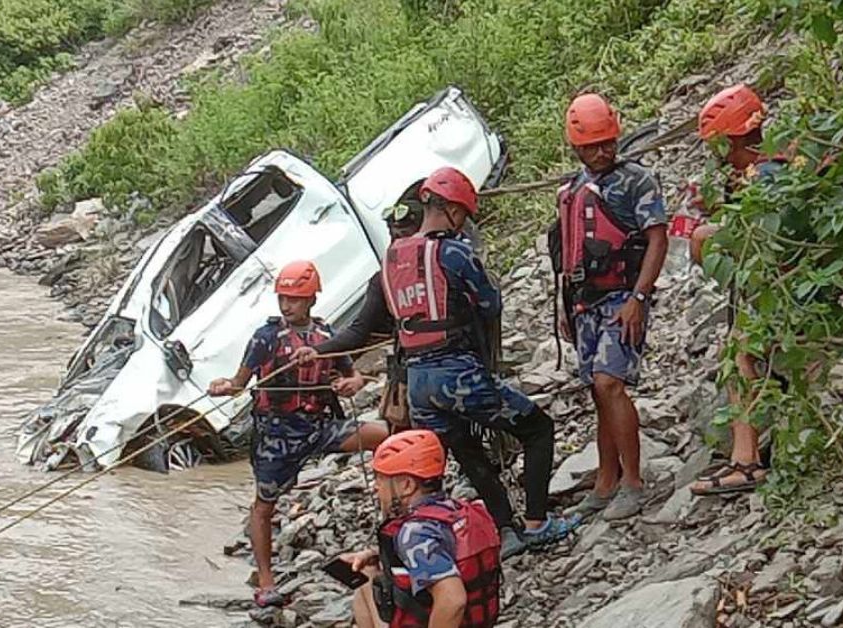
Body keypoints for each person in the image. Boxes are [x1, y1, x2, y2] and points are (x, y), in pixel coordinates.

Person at [380, 166, 578, 553]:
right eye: (463, 217)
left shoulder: (392, 258)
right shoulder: (452, 251)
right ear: (453, 210)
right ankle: (536, 522)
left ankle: (505, 529)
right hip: (457, 374)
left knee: (467, 452)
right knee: (537, 429)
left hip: (418, 382)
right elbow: (490, 302)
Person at [208, 259, 388, 608]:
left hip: (320, 427)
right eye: (282, 298)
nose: (286, 305)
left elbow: (352, 375)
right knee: (264, 505)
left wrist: (351, 384)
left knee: (385, 437)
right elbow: (238, 383)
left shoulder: (325, 336)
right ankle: (265, 580)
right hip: (278, 434)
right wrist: (222, 386)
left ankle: (392, 524)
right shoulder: (265, 338)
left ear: (310, 300)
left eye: (294, 299)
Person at [554, 94, 668, 520]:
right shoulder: (571, 189)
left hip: (623, 296)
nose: (602, 152)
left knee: (609, 383)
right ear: (576, 147)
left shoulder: (637, 181)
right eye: (592, 146)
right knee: (596, 392)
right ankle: (605, 479)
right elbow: (568, 252)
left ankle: (633, 481)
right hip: (585, 303)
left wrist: (639, 298)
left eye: (608, 143)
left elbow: (658, 238)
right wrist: (566, 306)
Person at [687, 84, 783, 495]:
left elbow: (761, 241)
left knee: (739, 351)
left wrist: (709, 234)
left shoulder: (767, 179)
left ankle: (746, 460)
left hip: (784, 296)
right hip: (780, 292)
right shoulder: (769, 169)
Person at [342, 429, 502, 628]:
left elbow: (453, 600)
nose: (376, 487)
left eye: (381, 479)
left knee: (365, 582)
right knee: (368, 569)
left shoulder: (415, 532)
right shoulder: (459, 512)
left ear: (407, 485)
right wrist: (377, 556)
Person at [293, 202, 424, 430]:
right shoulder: (384, 279)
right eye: (395, 237)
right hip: (413, 368)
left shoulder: (445, 260)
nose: (398, 244)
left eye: (405, 236)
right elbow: (359, 332)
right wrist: (318, 351)